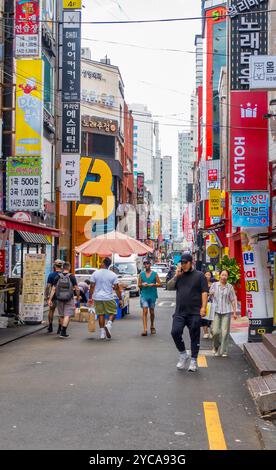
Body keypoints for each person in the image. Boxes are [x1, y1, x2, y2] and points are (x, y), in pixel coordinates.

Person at [168, 252, 209, 372]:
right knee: (175, 332)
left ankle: (193, 360)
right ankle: (183, 354)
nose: (184, 265)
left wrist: (203, 307)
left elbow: (204, 292)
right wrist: (176, 276)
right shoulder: (179, 276)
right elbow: (169, 287)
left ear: (191, 263)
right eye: (182, 263)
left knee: (194, 336)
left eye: (186, 262)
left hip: (195, 312)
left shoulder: (200, 276)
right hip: (180, 312)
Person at [88, 257, 123, 340]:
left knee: (101, 314)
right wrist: (120, 298)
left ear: (103, 263)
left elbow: (92, 286)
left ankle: (102, 333)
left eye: (101, 262)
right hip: (108, 297)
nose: (100, 263)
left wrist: (90, 297)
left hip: (97, 297)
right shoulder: (113, 274)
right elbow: (117, 288)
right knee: (113, 312)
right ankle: (109, 324)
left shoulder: (95, 273)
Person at [210, 270, 238, 357]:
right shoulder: (214, 285)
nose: (224, 277)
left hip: (226, 311)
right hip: (216, 311)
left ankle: (224, 351)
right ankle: (215, 346)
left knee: (225, 332)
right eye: (222, 275)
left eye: (226, 275)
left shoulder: (230, 287)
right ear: (219, 276)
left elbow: (233, 300)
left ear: (227, 277)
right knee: (215, 332)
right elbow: (209, 295)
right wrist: (211, 293)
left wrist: (234, 312)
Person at [48, 262, 80, 338]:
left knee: (62, 315)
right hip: (69, 298)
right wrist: (78, 296)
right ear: (69, 268)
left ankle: (62, 331)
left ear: (63, 268)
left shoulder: (58, 277)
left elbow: (53, 289)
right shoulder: (72, 277)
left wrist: (50, 299)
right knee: (67, 315)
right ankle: (63, 331)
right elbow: (77, 288)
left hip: (59, 298)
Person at [138, 258, 162, 336]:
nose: (146, 265)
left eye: (147, 263)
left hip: (152, 295)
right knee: (145, 311)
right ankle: (145, 329)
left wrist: (153, 284)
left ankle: (152, 326)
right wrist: (142, 285)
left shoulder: (155, 274)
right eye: (144, 264)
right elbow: (139, 285)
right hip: (144, 294)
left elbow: (160, 284)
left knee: (151, 312)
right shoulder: (141, 274)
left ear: (150, 264)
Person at [45, 259, 64, 334]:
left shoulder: (51, 275)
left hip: (53, 296)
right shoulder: (64, 275)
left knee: (51, 310)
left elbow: (48, 286)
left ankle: (50, 326)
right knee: (60, 312)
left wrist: (47, 296)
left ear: (54, 266)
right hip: (61, 295)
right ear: (61, 266)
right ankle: (59, 328)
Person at [201, 271, 214, 339]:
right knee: (204, 318)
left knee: (211, 318)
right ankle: (205, 332)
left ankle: (211, 332)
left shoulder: (213, 285)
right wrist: (208, 294)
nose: (207, 276)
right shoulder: (201, 284)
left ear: (211, 276)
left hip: (212, 303)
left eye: (208, 275)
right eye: (205, 274)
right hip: (204, 303)